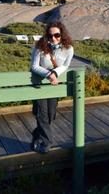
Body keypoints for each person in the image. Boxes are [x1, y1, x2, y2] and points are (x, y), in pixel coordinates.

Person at [30, 21, 74, 153]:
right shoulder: (40, 46)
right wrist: (49, 74)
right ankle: (47, 142)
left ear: (62, 34)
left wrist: (55, 73)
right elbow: (34, 66)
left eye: (57, 35)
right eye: (50, 36)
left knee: (51, 115)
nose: (53, 38)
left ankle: (36, 135)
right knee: (41, 114)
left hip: (54, 85)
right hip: (39, 84)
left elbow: (65, 66)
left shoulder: (68, 49)